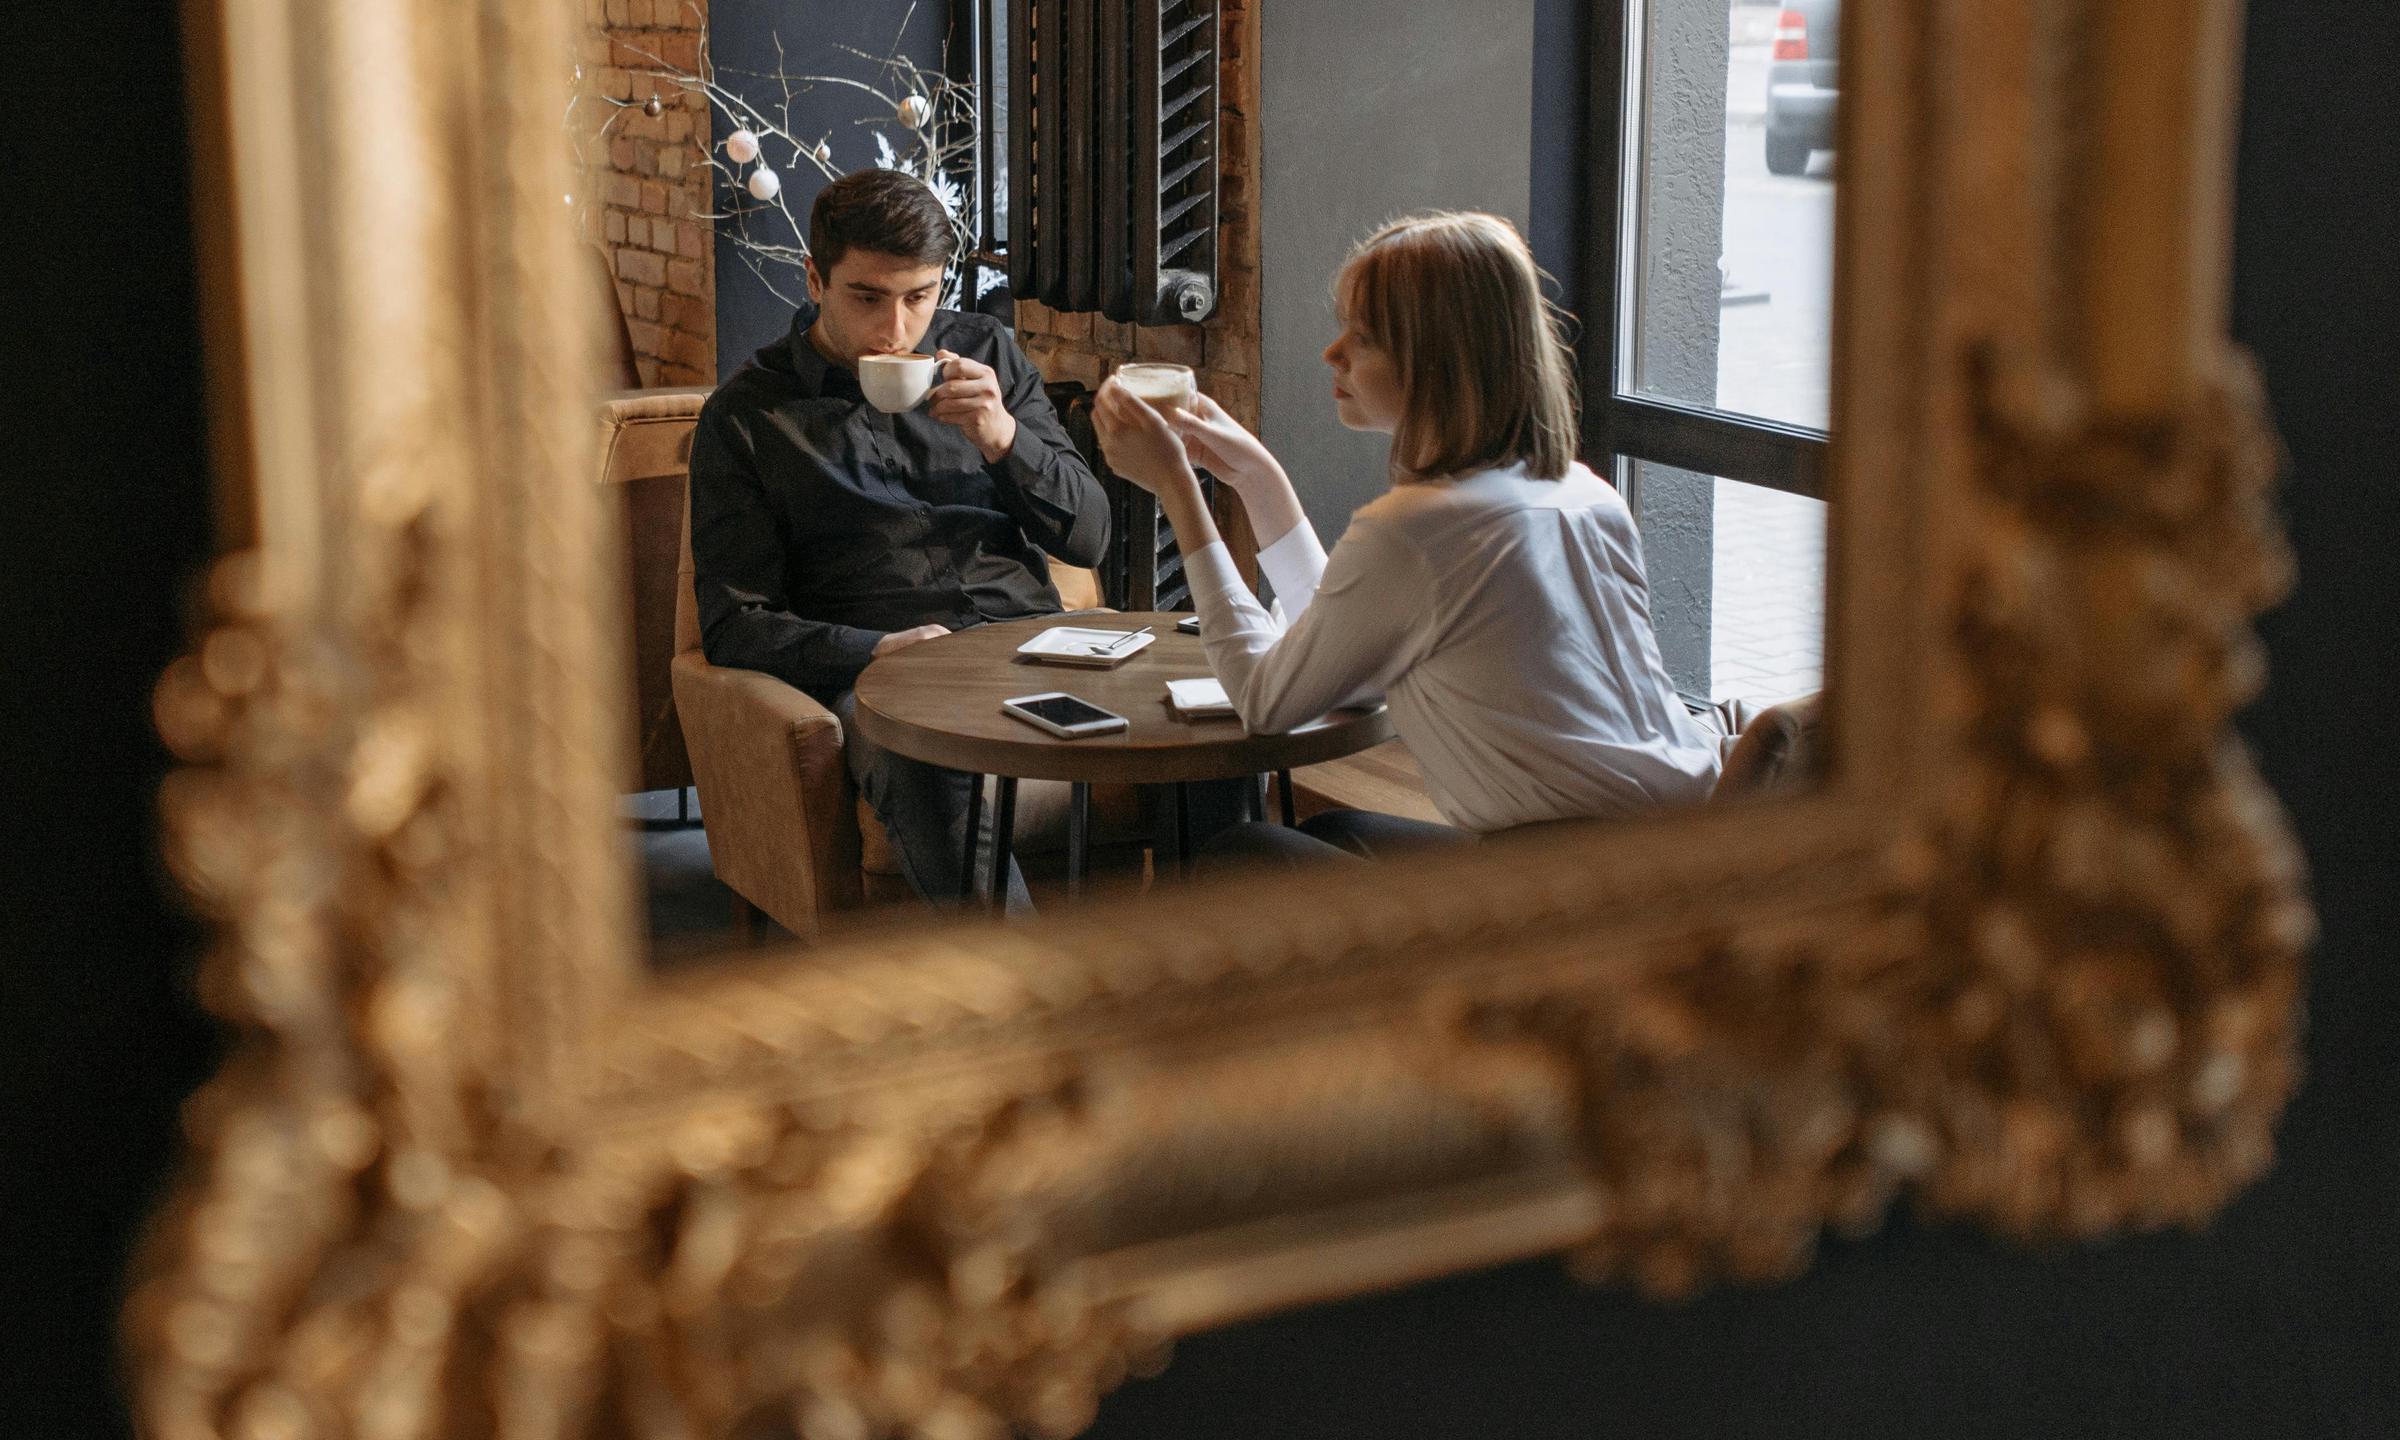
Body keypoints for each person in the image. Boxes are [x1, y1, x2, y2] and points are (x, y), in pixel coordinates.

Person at [1091, 210, 1722, 866]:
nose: (1332, 354)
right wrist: (1256, 476)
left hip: (1565, 895)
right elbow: (1343, 650)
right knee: (1335, 835)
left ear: (1435, 362)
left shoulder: (1419, 531)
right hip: (1672, 854)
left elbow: (1265, 700)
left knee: (1242, 858)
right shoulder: (1586, 495)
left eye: (1360, 338)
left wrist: (1178, 492)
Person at [687, 169, 1109, 910]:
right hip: (887, 674)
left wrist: (1002, 436)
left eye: (920, 298)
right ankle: (1033, 1009)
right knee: (921, 757)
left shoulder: (986, 358)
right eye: (868, 298)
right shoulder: (748, 415)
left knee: (1212, 712)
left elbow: (1092, 536)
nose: (896, 331)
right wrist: (873, 651)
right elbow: (733, 625)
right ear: (815, 278)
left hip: (1026, 644)